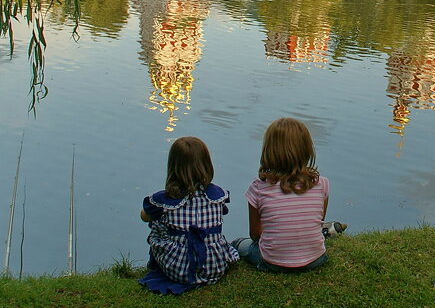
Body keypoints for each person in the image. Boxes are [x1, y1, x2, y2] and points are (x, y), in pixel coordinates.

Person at [139, 136, 239, 294]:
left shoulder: (164, 200)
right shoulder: (217, 195)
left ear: (173, 166)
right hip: (215, 266)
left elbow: (144, 217)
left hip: (178, 269)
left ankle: (158, 264)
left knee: (157, 224)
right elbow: (222, 213)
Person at [232, 117, 332, 273]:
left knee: (240, 243)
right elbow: (318, 221)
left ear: (269, 151)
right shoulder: (322, 184)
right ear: (306, 150)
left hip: (273, 262)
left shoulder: (258, 188)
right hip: (316, 259)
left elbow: (255, 235)